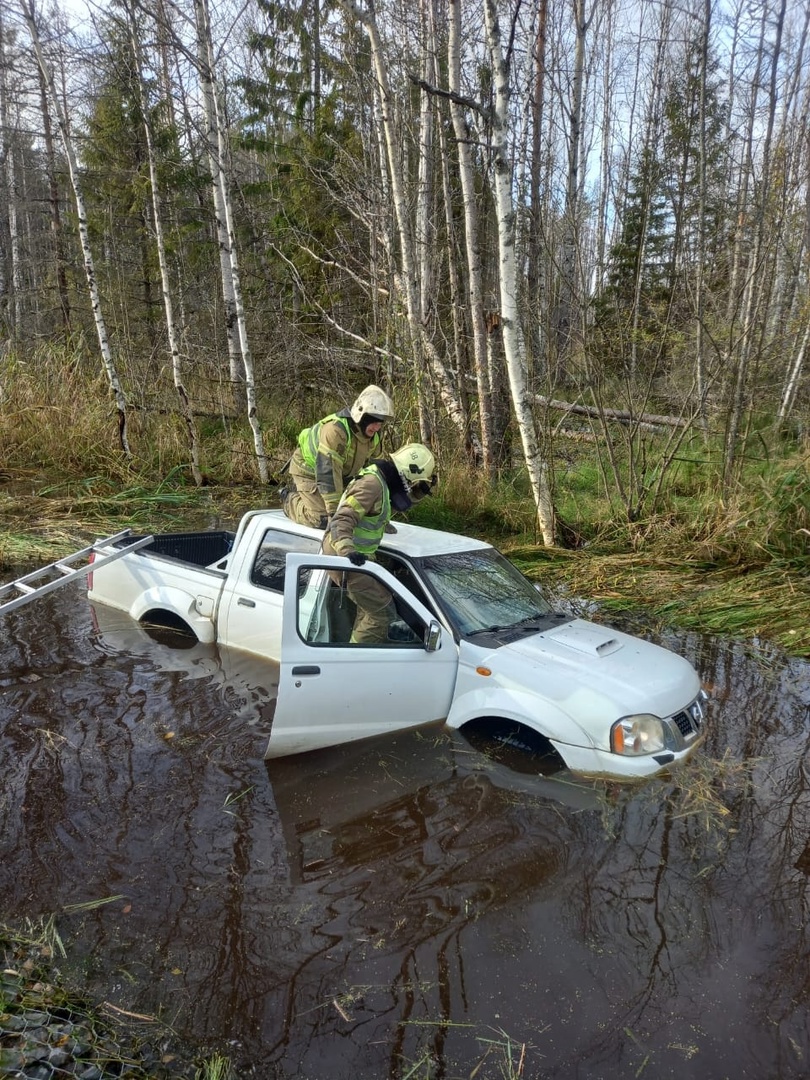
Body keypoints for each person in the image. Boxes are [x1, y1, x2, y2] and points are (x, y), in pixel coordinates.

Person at [322, 443, 436, 644]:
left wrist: (419, 493)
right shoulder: (372, 484)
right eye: (413, 482)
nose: (412, 487)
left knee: (367, 611)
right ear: (408, 473)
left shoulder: (384, 481)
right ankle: (354, 662)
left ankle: (353, 647)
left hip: (362, 556)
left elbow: (389, 505)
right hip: (346, 557)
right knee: (381, 613)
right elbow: (341, 521)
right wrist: (348, 552)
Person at [281, 385, 395, 529]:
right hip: (309, 471)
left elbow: (374, 475)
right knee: (321, 519)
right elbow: (327, 472)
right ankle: (289, 500)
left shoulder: (375, 437)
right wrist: (333, 513)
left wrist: (379, 514)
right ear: (362, 417)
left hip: (341, 475)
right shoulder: (335, 431)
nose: (377, 428)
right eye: (374, 422)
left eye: (380, 423)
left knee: (356, 514)